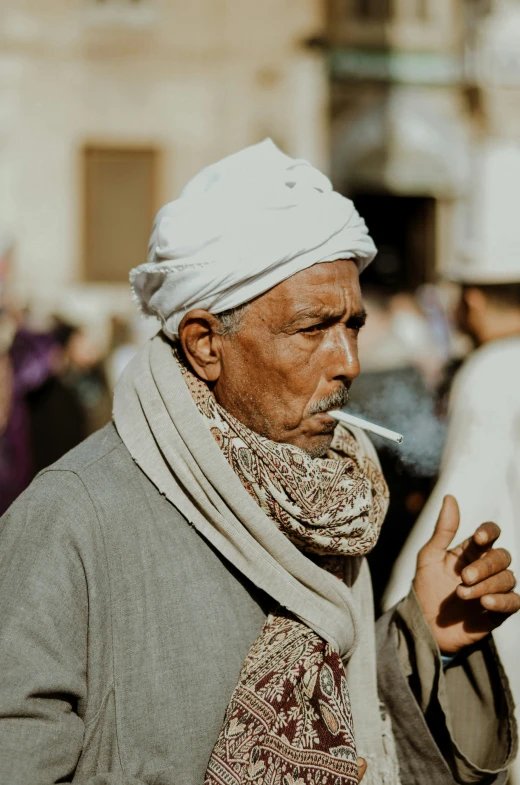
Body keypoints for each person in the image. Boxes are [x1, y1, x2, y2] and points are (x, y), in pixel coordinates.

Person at [0, 141, 518, 785]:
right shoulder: (72, 519)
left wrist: (424, 638)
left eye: (352, 325)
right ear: (206, 344)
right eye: (312, 329)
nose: (348, 361)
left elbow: (341, 715)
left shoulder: (331, 499)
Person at [384, 263, 520, 783]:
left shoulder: (491, 371)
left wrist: (404, 608)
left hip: (499, 603)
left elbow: (466, 495)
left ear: (476, 302)